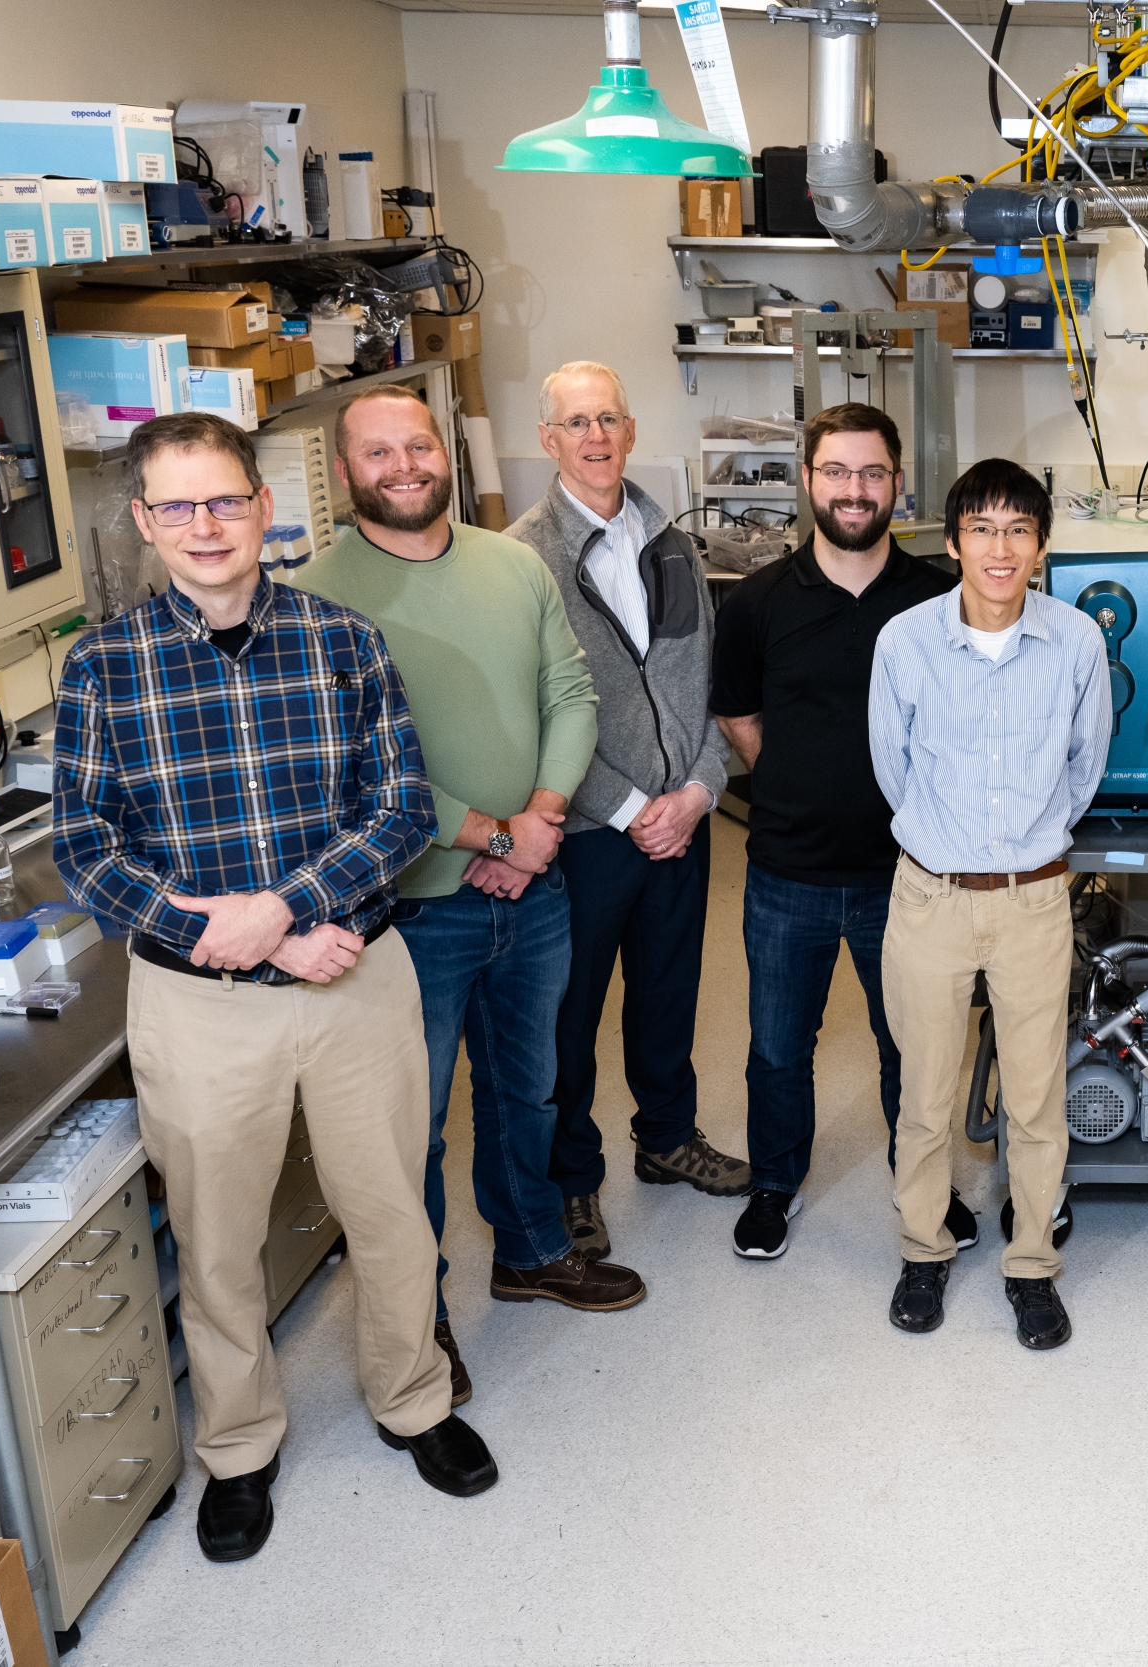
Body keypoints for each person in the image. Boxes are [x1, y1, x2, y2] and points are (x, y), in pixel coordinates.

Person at [55, 412, 496, 1563]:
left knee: (391, 1210)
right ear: (147, 523)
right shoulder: (103, 665)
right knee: (215, 1238)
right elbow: (89, 850)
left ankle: (415, 1400)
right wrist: (246, 938)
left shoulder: (342, 641)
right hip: (201, 1004)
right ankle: (239, 1447)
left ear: (263, 507)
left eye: (226, 500)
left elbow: (399, 808)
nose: (207, 526)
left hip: (353, 975)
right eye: (179, 506)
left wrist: (286, 912)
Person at [294, 386, 642, 1411]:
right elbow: (346, 761)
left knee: (525, 1086)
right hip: (411, 907)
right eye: (377, 452)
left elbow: (569, 694)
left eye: (418, 443)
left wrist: (536, 824)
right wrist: (488, 833)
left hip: (532, 888)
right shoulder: (318, 593)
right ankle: (418, 1311)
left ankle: (532, 1248)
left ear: (445, 449)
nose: (404, 465)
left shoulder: (510, 562)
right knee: (411, 1125)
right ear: (345, 469)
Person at [711, 403, 962, 1260]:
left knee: (913, 1047)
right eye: (837, 473)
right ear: (809, 481)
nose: (855, 490)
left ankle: (925, 1183)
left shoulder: (938, 599)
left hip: (912, 876)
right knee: (779, 1047)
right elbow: (739, 714)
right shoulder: (757, 603)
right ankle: (775, 1184)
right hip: (789, 872)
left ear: (897, 482)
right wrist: (802, 775)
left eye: (872, 473)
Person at [868, 459, 1108, 1348]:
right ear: (954, 539)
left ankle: (1033, 1263)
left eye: (1018, 530)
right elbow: (892, 767)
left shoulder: (1078, 642)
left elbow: (1082, 769)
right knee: (926, 1096)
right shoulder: (905, 641)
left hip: (1034, 902)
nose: (999, 548)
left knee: (1037, 1099)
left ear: (1040, 546)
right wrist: (954, 843)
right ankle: (923, 1249)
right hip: (930, 894)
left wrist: (1020, 846)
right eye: (982, 528)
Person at [510, 362, 744, 1265]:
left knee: (668, 991)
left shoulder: (672, 540)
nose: (596, 436)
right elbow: (532, 712)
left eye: (609, 416)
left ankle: (667, 1137)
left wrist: (698, 792)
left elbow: (706, 680)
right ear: (549, 440)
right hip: (586, 832)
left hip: (683, 820)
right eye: (577, 422)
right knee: (571, 1017)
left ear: (632, 429)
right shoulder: (522, 557)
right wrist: (633, 804)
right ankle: (574, 1181)